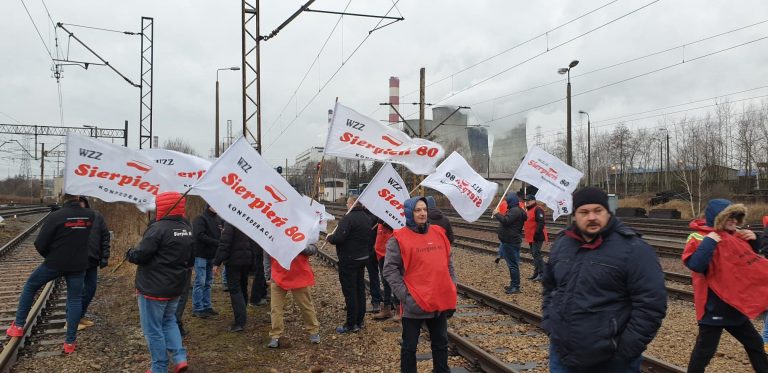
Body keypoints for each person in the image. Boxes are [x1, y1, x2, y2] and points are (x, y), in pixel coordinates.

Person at [542, 187, 667, 372]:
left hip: (611, 361)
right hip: (563, 355)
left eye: (598, 211)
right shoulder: (562, 244)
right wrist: (550, 323)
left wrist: (625, 351)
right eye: (584, 212)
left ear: (608, 212)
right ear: (574, 215)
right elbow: (549, 287)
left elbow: (651, 305)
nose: (592, 217)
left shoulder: (633, 249)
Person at [683, 199, 768, 372]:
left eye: (736, 218)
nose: (734, 222)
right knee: (704, 352)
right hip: (713, 307)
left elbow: (751, 262)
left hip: (734, 305)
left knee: (755, 344)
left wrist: (755, 240)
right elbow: (696, 265)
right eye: (730, 217)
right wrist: (711, 241)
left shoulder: (736, 236)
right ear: (718, 218)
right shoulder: (699, 237)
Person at [6, 194, 94, 354]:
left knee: (31, 286)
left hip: (55, 263)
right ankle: (70, 343)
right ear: (78, 198)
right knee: (74, 299)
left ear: (63, 198)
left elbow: (40, 243)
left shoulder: (56, 216)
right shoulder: (90, 215)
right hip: (78, 265)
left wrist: (51, 256)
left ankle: (18, 326)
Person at [383, 196, 457, 373]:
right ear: (409, 213)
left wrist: (452, 287)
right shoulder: (398, 239)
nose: (422, 213)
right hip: (414, 304)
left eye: (424, 209)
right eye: (417, 210)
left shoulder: (439, 233)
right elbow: (389, 270)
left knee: (441, 343)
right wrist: (406, 297)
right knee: (409, 347)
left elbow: (449, 263)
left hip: (438, 301)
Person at [127, 191, 192, 373]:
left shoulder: (158, 229)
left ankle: (159, 368)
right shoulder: (187, 228)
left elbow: (141, 255)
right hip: (176, 287)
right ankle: (179, 358)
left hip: (153, 289)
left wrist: (130, 253)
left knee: (153, 330)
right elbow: (191, 258)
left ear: (162, 207)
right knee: (169, 321)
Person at [327, 196, 374, 333]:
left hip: (349, 260)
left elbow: (339, 238)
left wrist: (330, 237)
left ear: (352, 203)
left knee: (350, 291)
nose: (346, 205)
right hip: (362, 257)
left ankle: (351, 324)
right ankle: (360, 320)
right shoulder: (366, 217)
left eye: (347, 202)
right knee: (360, 289)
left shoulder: (348, 219)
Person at [266, 245, 321, 348]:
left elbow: (313, 249)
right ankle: (275, 335)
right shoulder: (274, 232)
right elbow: (267, 253)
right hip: (278, 276)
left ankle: (314, 331)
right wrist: (268, 275)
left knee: (306, 306)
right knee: (275, 308)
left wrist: (298, 246)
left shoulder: (301, 231)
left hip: (299, 275)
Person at [213, 222, 261, 332]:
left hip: (233, 262)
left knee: (235, 290)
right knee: (243, 288)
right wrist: (253, 262)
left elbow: (224, 244)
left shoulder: (230, 224)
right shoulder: (247, 222)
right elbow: (253, 244)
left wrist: (217, 262)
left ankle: (240, 321)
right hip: (246, 261)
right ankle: (242, 316)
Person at [78, 196, 111, 329]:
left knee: (90, 289)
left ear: (85, 202)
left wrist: (105, 256)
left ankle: (79, 316)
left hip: (92, 259)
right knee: (76, 290)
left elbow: (105, 236)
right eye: (77, 201)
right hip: (76, 260)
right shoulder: (69, 217)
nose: (79, 204)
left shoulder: (96, 216)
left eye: (81, 201)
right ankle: (71, 320)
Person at [191, 205, 222, 319]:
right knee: (200, 282)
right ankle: (197, 308)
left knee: (208, 282)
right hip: (201, 255)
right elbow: (200, 236)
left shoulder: (218, 219)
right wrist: (217, 243)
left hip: (212, 255)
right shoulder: (200, 219)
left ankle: (207, 306)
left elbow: (220, 235)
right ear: (209, 206)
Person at [492, 193, 526, 294]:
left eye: (507, 201)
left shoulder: (514, 211)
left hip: (510, 241)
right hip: (511, 240)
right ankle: (513, 284)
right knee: (512, 264)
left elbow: (506, 221)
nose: (506, 203)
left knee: (512, 265)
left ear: (511, 201)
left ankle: (515, 286)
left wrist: (497, 214)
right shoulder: (516, 210)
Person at [372, 220, 398, 321]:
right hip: (380, 254)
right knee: (385, 281)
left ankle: (399, 309)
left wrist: (384, 222)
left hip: (390, 254)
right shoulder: (380, 218)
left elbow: (396, 229)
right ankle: (387, 308)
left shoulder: (391, 219)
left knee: (393, 281)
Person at [363, 207, 383, 313]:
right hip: (371, 249)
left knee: (373, 275)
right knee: (374, 275)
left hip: (371, 250)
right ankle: (376, 301)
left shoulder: (375, 216)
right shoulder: (375, 214)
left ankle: (376, 301)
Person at [523, 194, 547, 281]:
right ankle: (536, 273)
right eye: (526, 200)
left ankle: (542, 273)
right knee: (534, 255)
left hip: (537, 236)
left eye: (529, 200)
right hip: (531, 236)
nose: (527, 202)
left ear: (534, 201)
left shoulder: (538, 209)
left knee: (536, 254)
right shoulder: (529, 209)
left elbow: (541, 222)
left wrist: (537, 233)